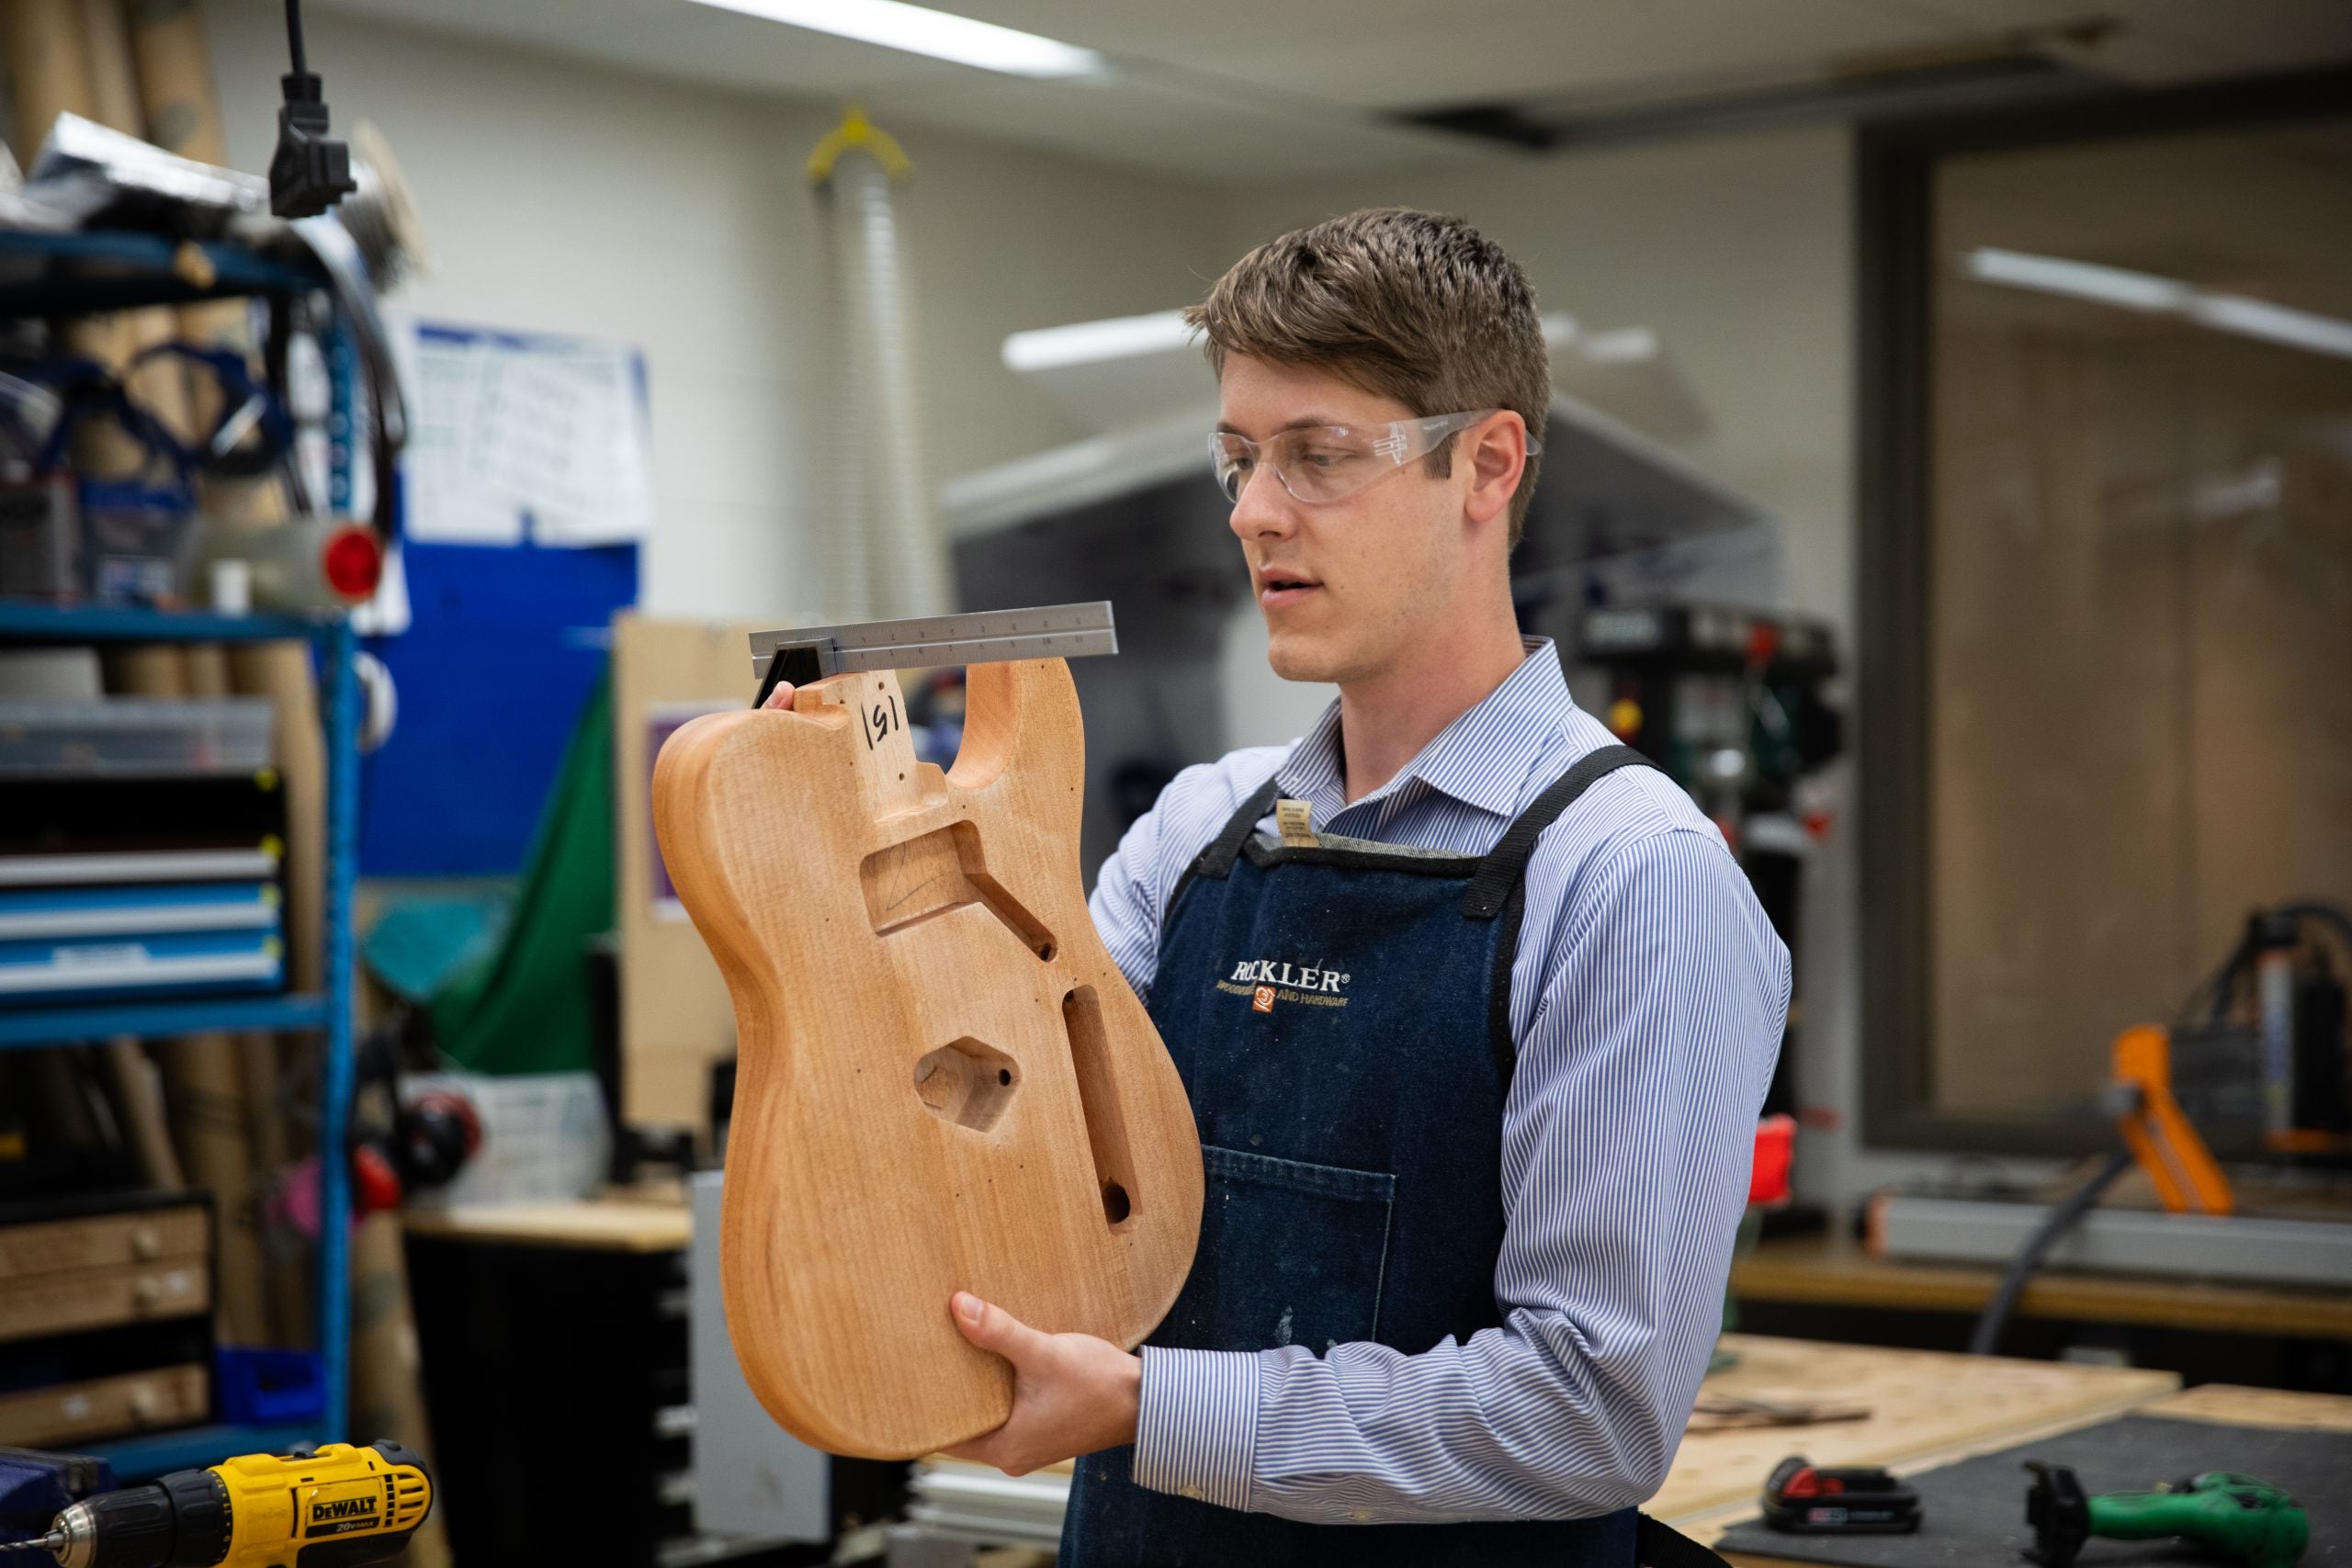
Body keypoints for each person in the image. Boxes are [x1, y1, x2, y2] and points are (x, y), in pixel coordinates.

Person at [767, 207, 1789, 1567]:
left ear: (1487, 465)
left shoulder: (1628, 882)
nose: (1254, 512)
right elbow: (991, 1129)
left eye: (1319, 457)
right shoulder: (1198, 835)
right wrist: (828, 868)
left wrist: (1146, 1408)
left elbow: (1592, 1412)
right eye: (1240, 458)